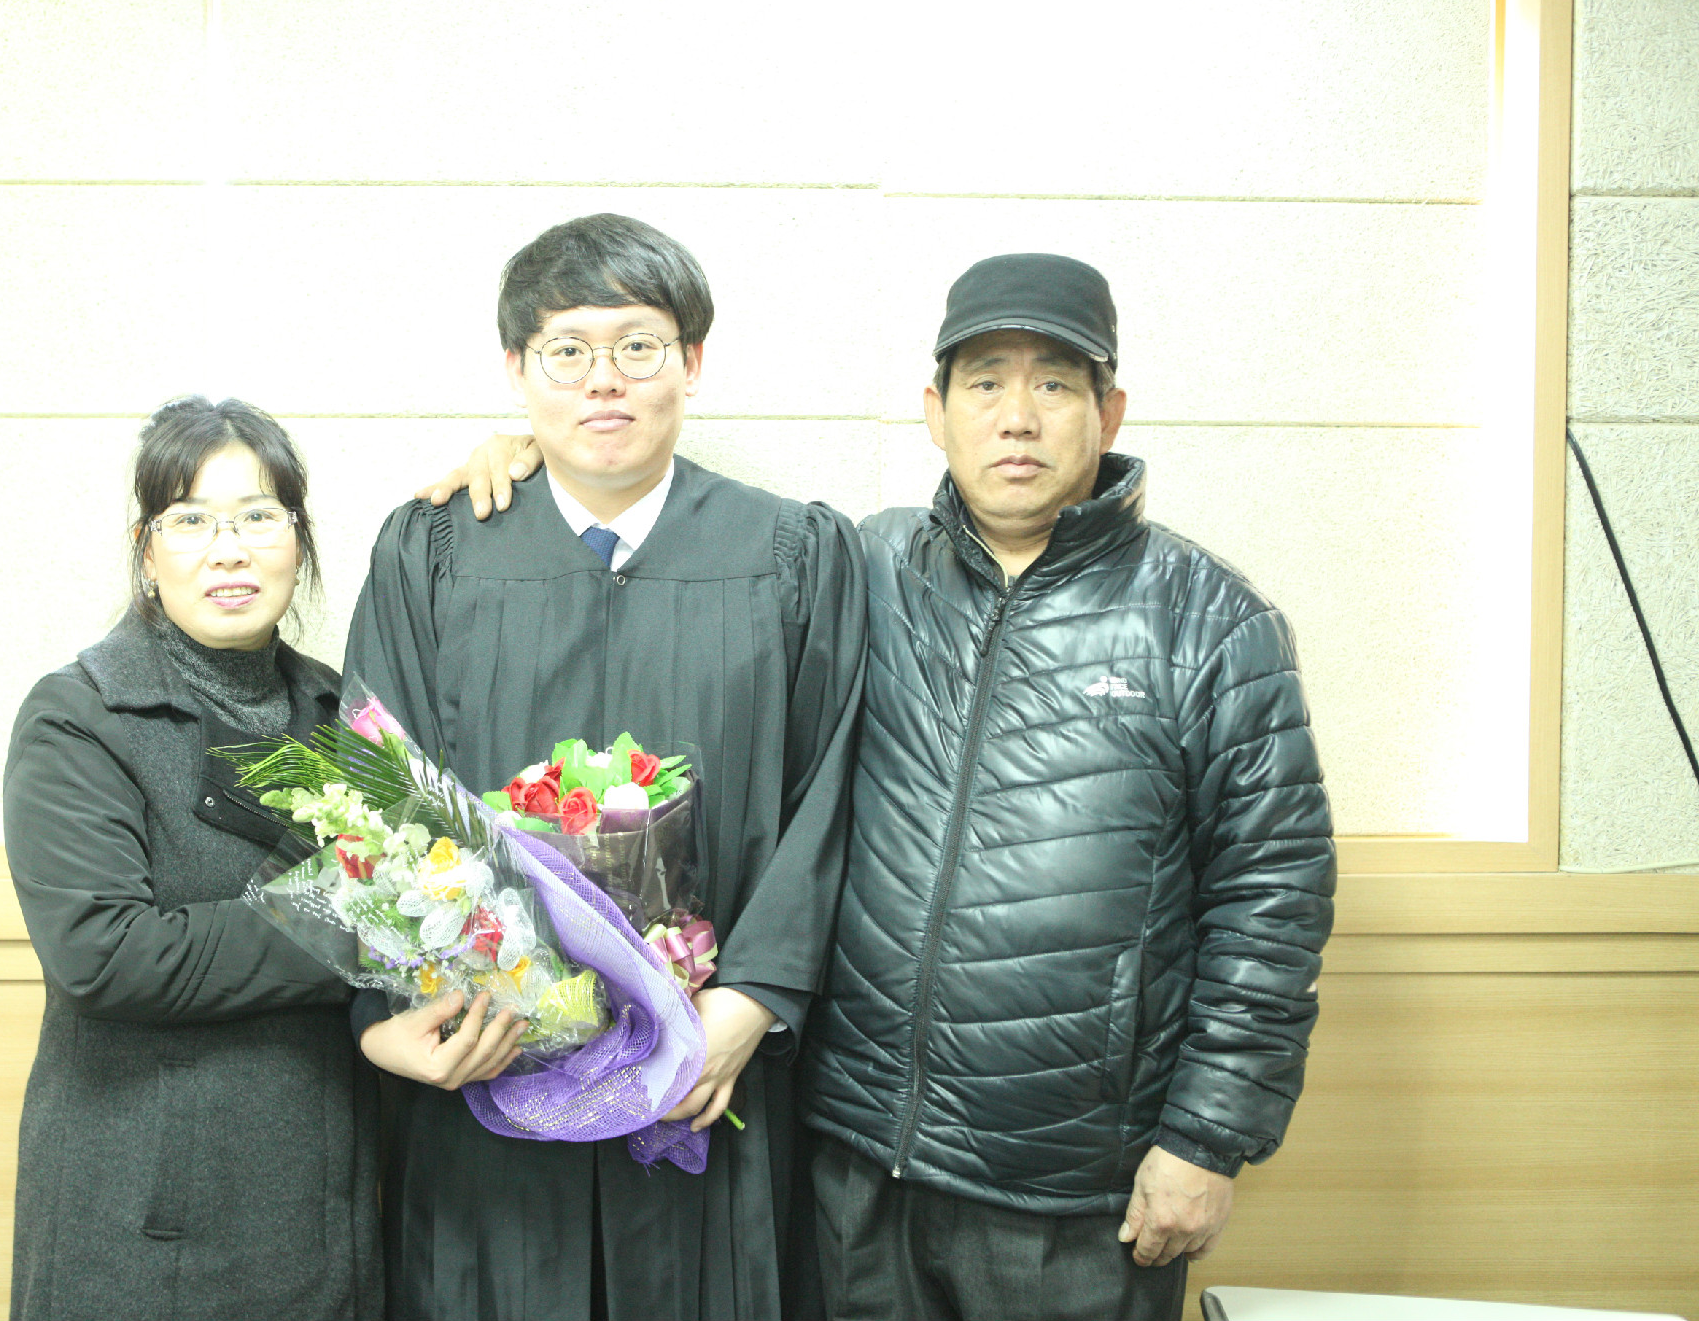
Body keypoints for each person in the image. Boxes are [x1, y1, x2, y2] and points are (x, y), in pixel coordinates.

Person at [428, 253, 1336, 1321]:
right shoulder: (860, 568)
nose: (1017, 417)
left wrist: (1206, 1140)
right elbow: (659, 531)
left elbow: (1271, 901)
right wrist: (533, 458)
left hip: (1071, 1183)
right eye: (985, 382)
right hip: (856, 1162)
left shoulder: (1209, 621)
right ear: (934, 411)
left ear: (1110, 411)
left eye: (1054, 384)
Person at [345, 213, 868, 1321]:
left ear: (692, 361)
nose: (603, 379)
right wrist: (457, 994)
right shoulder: (434, 551)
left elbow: (830, 790)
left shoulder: (792, 555)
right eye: (567, 349)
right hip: (493, 1057)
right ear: (516, 371)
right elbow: (379, 782)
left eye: (638, 345)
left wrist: (752, 1002)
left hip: (709, 1071)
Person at [1, 396, 521, 1321]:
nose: (228, 549)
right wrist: (361, 921)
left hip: (323, 1210)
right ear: (146, 550)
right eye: (190, 519)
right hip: (142, 1220)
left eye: (258, 516)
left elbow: (423, 917)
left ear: (298, 540)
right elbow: (103, 954)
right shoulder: (80, 715)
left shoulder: (341, 714)